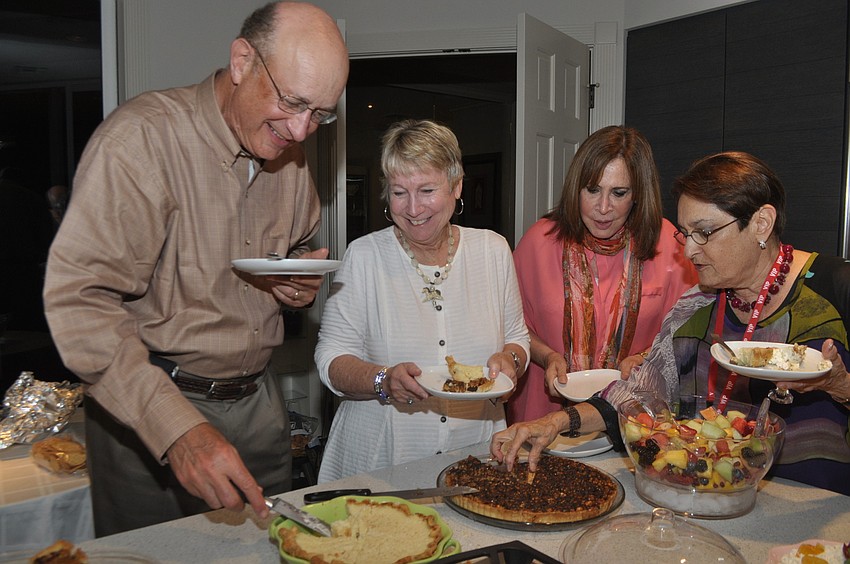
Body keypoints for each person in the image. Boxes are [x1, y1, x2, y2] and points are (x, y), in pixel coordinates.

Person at [42, 2, 349, 535]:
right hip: (150, 409)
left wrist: (293, 286)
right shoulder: (141, 141)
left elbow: (289, 254)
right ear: (242, 61)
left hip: (259, 403)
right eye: (293, 101)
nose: (302, 132)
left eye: (320, 114)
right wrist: (176, 430)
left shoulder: (291, 156)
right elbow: (79, 300)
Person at [493, 151, 850, 495]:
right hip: (715, 499)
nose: (689, 251)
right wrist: (554, 422)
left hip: (820, 518)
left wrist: (840, 385)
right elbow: (640, 396)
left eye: (704, 232)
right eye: (685, 233)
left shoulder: (837, 287)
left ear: (761, 223)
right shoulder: (695, 308)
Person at [314, 119, 530, 482]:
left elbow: (517, 337)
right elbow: (330, 359)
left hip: (475, 450)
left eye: (427, 190)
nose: (413, 209)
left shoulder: (493, 250)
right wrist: (382, 380)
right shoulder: (364, 256)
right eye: (399, 192)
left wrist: (510, 361)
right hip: (381, 458)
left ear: (457, 186)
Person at [507, 126, 697, 423]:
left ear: (638, 195)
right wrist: (548, 356)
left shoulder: (669, 243)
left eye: (619, 193)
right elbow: (511, 327)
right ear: (576, 188)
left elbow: (688, 333)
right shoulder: (538, 242)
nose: (603, 208)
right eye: (592, 190)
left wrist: (646, 357)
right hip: (543, 412)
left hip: (631, 414)